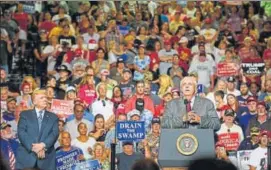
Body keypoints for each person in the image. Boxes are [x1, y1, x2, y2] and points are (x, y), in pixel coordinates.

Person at [16, 89, 59, 170]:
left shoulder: (53, 117)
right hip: (27, 156)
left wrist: (43, 145)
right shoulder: (25, 115)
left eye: (46, 98)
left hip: (46, 160)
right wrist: (34, 148)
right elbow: (21, 132)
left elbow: (54, 133)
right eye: (42, 98)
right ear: (34, 102)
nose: (45, 99)